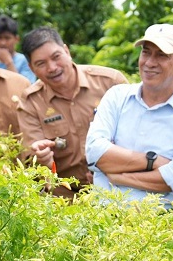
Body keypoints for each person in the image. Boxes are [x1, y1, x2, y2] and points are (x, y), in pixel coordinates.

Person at [85, 23, 173, 209]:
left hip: (166, 223)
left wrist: (117, 176)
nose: (150, 62)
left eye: (162, 55)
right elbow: (95, 152)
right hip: (107, 218)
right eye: (146, 52)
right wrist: (153, 161)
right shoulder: (116, 96)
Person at [18, 27, 127, 199]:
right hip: (68, 198)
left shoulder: (110, 82)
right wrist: (41, 159)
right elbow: (32, 164)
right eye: (41, 64)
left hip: (119, 189)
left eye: (56, 57)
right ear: (31, 68)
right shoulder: (30, 103)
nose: (52, 67)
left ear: (66, 51)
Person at [0, 15, 36, 82]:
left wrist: (9, 63)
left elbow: (27, 88)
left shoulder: (26, 61)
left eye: (7, 38)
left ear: (16, 39)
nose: (3, 43)